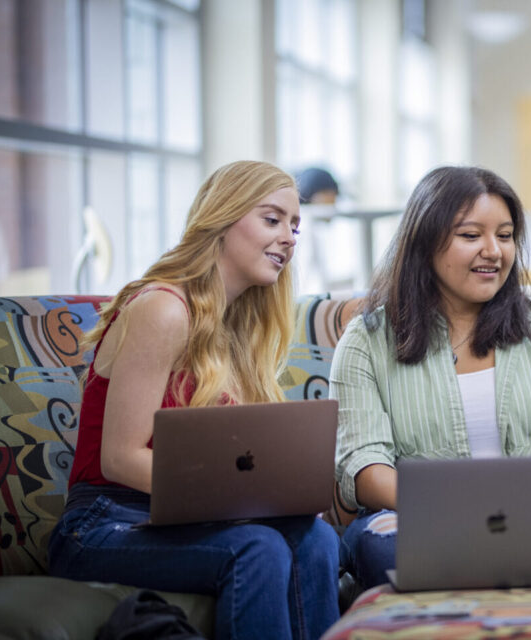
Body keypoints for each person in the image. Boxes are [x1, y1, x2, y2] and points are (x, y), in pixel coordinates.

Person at [48, 160, 340, 640]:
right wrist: (242, 502)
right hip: (103, 520)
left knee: (319, 540)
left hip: (179, 516)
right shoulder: (163, 309)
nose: (289, 237)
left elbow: (240, 463)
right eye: (273, 220)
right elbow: (120, 459)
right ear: (222, 221)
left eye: (295, 226)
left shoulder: (239, 329)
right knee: (258, 547)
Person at [329, 165, 531, 589]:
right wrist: (461, 513)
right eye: (471, 235)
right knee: (381, 544)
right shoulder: (367, 340)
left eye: (506, 235)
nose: (494, 251)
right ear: (425, 241)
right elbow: (364, 467)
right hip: (418, 521)